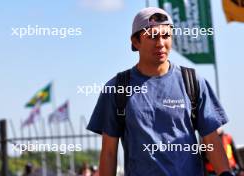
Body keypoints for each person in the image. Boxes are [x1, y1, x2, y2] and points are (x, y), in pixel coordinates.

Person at [87, 7, 234, 176]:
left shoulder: (193, 82)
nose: (161, 43)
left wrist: (225, 174)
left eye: (166, 36)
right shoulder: (116, 88)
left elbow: (212, 140)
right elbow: (109, 152)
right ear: (135, 42)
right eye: (152, 36)